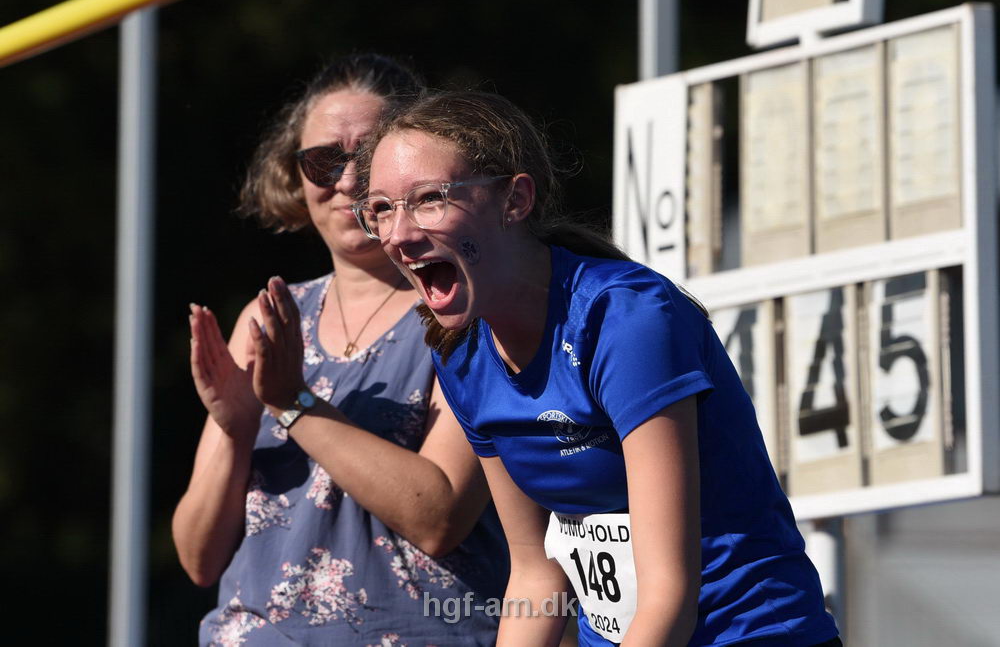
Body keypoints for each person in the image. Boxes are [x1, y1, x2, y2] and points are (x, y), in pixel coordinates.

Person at [351, 89, 843, 647]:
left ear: (515, 200)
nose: (399, 234)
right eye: (382, 209)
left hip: (752, 633)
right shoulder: (459, 351)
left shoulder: (624, 319)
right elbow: (536, 575)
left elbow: (668, 592)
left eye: (429, 199)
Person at [172, 56, 508, 647]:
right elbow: (199, 559)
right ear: (295, 178)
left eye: (370, 155)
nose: (348, 180)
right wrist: (234, 430)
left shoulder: (463, 310)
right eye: (323, 160)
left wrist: (294, 405)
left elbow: (440, 515)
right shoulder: (270, 318)